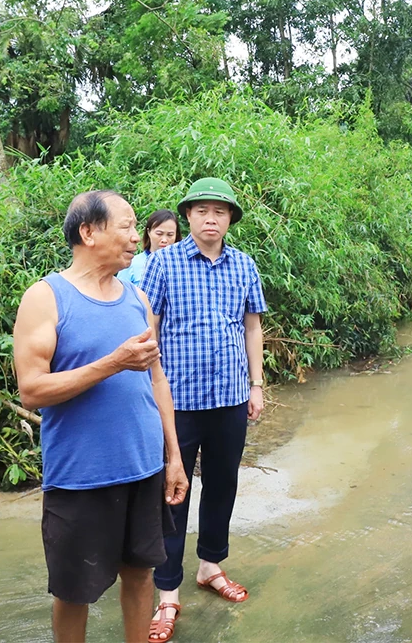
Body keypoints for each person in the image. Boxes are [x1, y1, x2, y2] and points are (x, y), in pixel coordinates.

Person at [12, 190, 190, 643]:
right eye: (127, 227)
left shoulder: (137, 298)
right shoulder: (47, 298)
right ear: (88, 232)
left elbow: (157, 381)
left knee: (142, 574)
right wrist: (112, 362)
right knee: (74, 592)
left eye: (136, 229)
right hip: (80, 478)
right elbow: (32, 390)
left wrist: (174, 456)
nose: (136, 238)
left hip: (143, 469)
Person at [140, 177, 268, 643]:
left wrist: (256, 385)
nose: (210, 218)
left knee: (223, 485)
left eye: (219, 211)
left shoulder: (244, 265)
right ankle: (167, 592)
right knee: (172, 492)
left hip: (231, 397)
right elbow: (146, 328)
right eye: (201, 211)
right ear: (187, 217)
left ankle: (210, 565)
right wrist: (145, 393)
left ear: (230, 218)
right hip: (177, 401)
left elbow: (252, 327)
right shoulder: (164, 264)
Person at [118, 209, 181, 287]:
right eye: (159, 234)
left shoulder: (181, 265)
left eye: (170, 235)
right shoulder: (131, 264)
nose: (164, 240)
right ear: (148, 232)